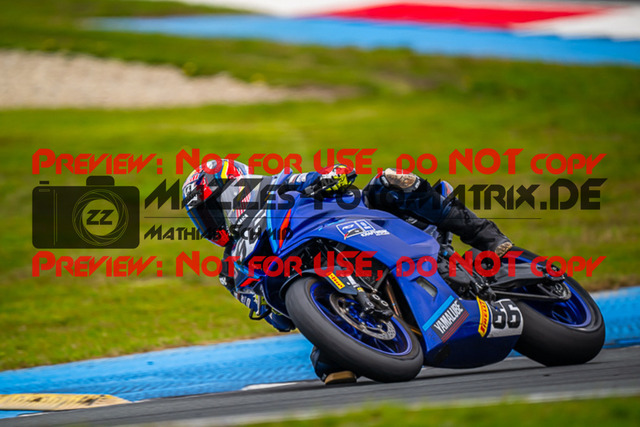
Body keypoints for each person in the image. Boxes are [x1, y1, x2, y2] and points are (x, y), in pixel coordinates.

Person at [182, 159, 512, 384]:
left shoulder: (279, 185)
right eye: (203, 216)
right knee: (331, 369)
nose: (212, 220)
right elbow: (281, 320)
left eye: (213, 208)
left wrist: (331, 176)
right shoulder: (232, 268)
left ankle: (487, 238)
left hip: (358, 226)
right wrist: (265, 303)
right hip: (332, 294)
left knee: (392, 181)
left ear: (237, 188)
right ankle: (390, 332)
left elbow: (328, 175)